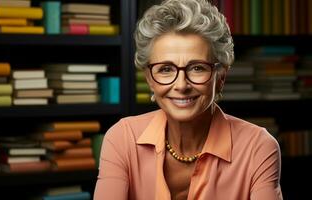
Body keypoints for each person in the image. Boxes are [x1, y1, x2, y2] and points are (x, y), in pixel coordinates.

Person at [94, 0, 283, 199]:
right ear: (150, 79)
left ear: (220, 77)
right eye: (166, 69)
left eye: (197, 68)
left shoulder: (258, 148)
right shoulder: (122, 138)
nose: (182, 85)